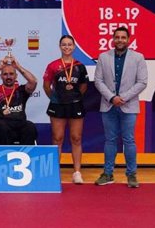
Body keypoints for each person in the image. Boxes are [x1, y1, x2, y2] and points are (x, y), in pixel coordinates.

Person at [94, 26, 147, 188]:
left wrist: (122, 98)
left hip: (128, 105)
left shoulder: (138, 58)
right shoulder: (103, 57)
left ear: (128, 39)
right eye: (117, 37)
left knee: (129, 140)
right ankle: (108, 173)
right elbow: (98, 81)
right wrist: (111, 97)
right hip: (108, 105)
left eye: (123, 37)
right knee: (110, 141)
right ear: (113, 39)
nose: (120, 40)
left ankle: (131, 175)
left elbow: (142, 82)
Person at [43, 35, 88, 184]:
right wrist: (56, 98)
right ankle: (54, 172)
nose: (67, 47)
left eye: (69, 44)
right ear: (60, 46)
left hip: (75, 104)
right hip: (58, 105)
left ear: (74, 47)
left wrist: (73, 97)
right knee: (57, 138)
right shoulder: (53, 66)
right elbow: (46, 85)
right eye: (64, 44)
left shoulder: (80, 66)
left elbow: (83, 86)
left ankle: (77, 172)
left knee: (76, 138)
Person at [0, 57, 38, 145]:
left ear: (16, 76)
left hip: (19, 123)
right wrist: (0, 67)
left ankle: (26, 155)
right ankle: (6, 154)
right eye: (5, 74)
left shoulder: (21, 90)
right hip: (0, 122)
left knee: (30, 127)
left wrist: (18, 67)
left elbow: (33, 82)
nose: (8, 77)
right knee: (2, 126)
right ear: (1, 76)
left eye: (11, 74)